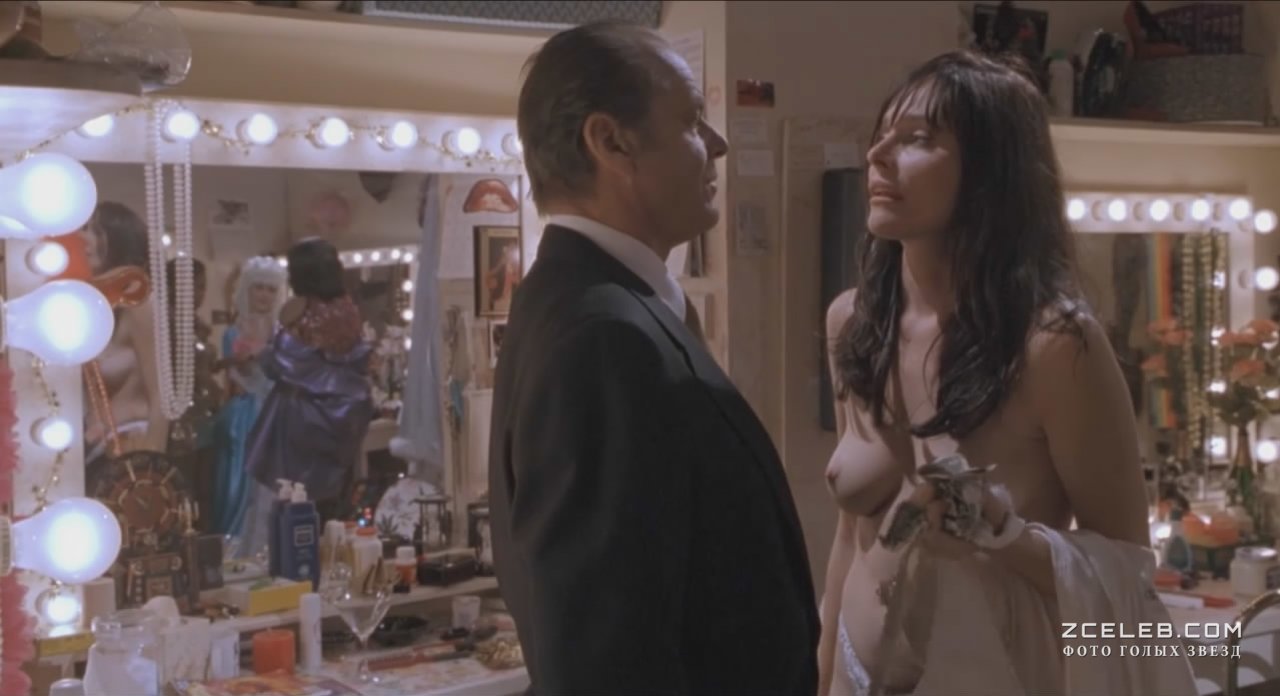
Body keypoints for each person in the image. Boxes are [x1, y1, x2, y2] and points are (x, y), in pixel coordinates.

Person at [819, 51, 1194, 696]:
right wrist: (822, 667)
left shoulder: (1053, 346)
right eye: (881, 133)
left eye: (918, 138)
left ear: (992, 171)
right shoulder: (854, 323)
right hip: (860, 672)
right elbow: (850, 537)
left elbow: (1128, 576)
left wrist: (1002, 535)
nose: (878, 154)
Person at [488, 21, 818, 695]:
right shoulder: (602, 337)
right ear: (611, 141)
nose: (718, 144)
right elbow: (603, 659)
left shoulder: (595, 304)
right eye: (693, 121)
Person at [244, 238, 373, 524]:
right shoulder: (348, 309)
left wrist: (263, 352)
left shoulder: (302, 312)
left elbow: (281, 363)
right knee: (331, 505)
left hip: (302, 419)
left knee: (293, 502)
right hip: (345, 413)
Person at [79, 201, 168, 460]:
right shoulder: (90, 305)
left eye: (97, 232)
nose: (84, 239)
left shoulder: (139, 302)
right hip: (93, 447)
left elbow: (160, 395)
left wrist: (154, 457)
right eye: (84, 229)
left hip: (132, 445)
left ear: (120, 242)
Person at [212, 256, 287, 548]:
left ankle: (271, 543)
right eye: (259, 288)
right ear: (247, 289)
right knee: (240, 481)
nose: (264, 295)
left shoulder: (282, 334)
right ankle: (236, 545)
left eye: (271, 289)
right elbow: (235, 377)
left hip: (277, 410)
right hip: (247, 413)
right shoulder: (233, 332)